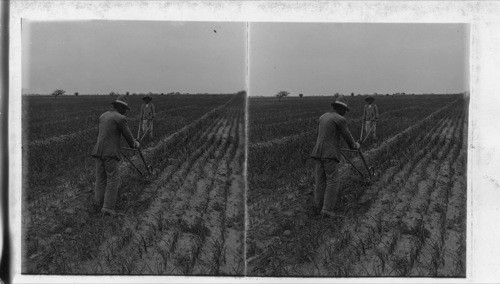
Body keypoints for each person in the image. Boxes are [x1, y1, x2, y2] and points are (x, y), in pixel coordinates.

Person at [310, 95, 360, 219]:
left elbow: (323, 135)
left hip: (318, 152)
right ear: (341, 109)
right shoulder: (340, 119)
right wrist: (355, 145)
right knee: (333, 180)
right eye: (344, 111)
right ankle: (327, 210)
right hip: (329, 154)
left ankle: (317, 207)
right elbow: (348, 138)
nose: (345, 113)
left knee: (320, 181)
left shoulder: (323, 116)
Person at [91, 95, 140, 216]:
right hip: (110, 154)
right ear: (121, 107)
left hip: (98, 151)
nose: (125, 112)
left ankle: (98, 204)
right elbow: (129, 138)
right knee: (113, 179)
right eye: (125, 109)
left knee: (101, 179)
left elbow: (107, 134)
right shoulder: (120, 118)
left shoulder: (103, 115)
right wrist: (135, 144)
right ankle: (107, 208)